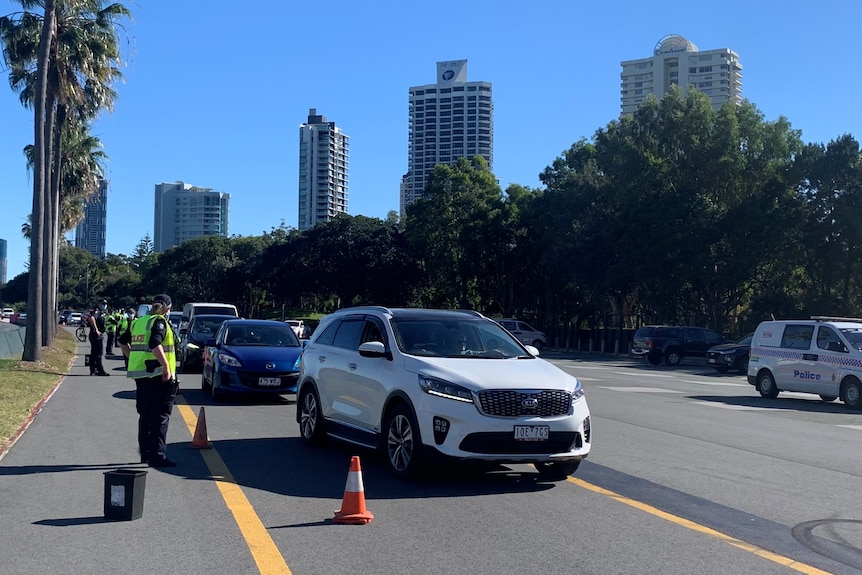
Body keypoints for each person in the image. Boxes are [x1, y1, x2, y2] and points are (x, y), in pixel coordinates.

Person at [126, 294, 178, 467]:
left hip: (141, 375)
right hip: (158, 375)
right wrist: (165, 367)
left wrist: (133, 357)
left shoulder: (139, 322)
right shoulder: (159, 322)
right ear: (168, 308)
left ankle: (146, 454)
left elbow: (122, 342)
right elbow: (155, 343)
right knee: (161, 416)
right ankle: (157, 456)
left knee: (145, 416)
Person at [87, 299, 109, 376]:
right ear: (99, 304)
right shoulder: (96, 311)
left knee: (95, 353)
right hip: (95, 334)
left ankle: (93, 370)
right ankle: (100, 370)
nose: (104, 305)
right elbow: (91, 318)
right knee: (98, 353)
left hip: (98, 334)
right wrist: (96, 329)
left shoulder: (102, 312)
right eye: (103, 303)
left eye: (105, 304)